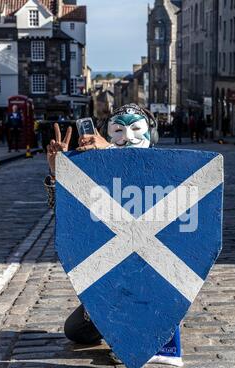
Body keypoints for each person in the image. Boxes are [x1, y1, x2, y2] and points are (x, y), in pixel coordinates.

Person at [45, 104, 159, 345]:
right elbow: (70, 216)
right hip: (114, 274)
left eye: (136, 128)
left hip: (153, 277)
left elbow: (139, 171)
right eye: (117, 131)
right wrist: (59, 173)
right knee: (75, 329)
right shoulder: (98, 173)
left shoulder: (162, 169)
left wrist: (108, 149)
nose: (127, 137)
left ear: (152, 133)